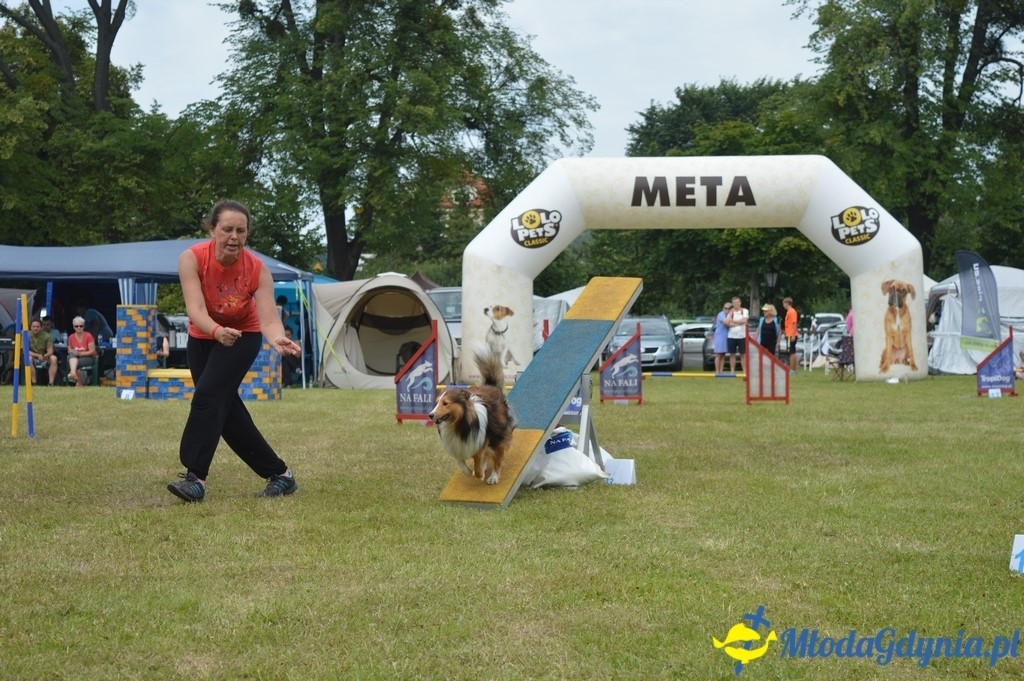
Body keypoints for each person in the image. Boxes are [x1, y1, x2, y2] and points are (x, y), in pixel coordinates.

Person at [167, 199, 303, 503]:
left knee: (208, 397)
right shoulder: (192, 259)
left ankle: (195, 478)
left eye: (241, 231)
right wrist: (215, 331)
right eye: (227, 229)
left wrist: (277, 338)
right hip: (202, 335)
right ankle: (281, 475)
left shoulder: (257, 269)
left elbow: (267, 317)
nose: (234, 236)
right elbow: (195, 308)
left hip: (244, 335)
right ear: (213, 229)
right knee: (226, 412)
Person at [66, 315, 98, 386]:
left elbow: (92, 351)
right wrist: (72, 351)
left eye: (81, 326)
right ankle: (74, 374)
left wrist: (80, 354)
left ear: (84, 326)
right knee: (72, 355)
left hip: (89, 357)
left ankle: (77, 380)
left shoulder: (88, 336)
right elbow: (69, 349)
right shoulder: (71, 337)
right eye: (76, 326)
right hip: (76, 357)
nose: (79, 328)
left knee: (73, 363)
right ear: (73, 327)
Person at [28, 318, 58, 386]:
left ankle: (51, 383)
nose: (35, 328)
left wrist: (45, 355)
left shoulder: (47, 336)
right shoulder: (26, 335)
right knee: (28, 358)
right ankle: (34, 382)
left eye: (37, 327)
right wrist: (37, 355)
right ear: (30, 327)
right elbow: (25, 351)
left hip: (44, 357)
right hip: (33, 357)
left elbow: (50, 351)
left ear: (41, 327)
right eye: (33, 327)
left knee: (54, 358)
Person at [725, 296, 749, 373]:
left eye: (737, 302)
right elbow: (727, 322)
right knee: (732, 354)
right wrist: (738, 322)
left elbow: (744, 320)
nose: (736, 304)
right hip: (731, 336)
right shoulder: (731, 312)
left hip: (742, 336)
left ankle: (744, 371)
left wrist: (734, 321)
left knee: (743, 354)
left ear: (740, 303)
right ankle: (732, 371)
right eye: (734, 303)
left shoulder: (744, 311)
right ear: (732, 303)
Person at [713, 301, 732, 374]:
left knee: (723, 354)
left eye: (729, 308)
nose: (727, 310)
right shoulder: (721, 314)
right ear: (723, 308)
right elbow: (726, 322)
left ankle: (721, 371)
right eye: (725, 308)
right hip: (720, 336)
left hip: (726, 335)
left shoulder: (729, 315)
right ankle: (717, 371)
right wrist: (730, 315)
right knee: (718, 354)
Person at [783, 297, 798, 373]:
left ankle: (792, 369)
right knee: (790, 351)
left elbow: (794, 323)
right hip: (788, 334)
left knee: (791, 352)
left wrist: (793, 335)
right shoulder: (788, 312)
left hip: (791, 334)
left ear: (787, 303)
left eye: (784, 303)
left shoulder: (792, 312)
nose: (783, 305)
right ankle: (793, 369)